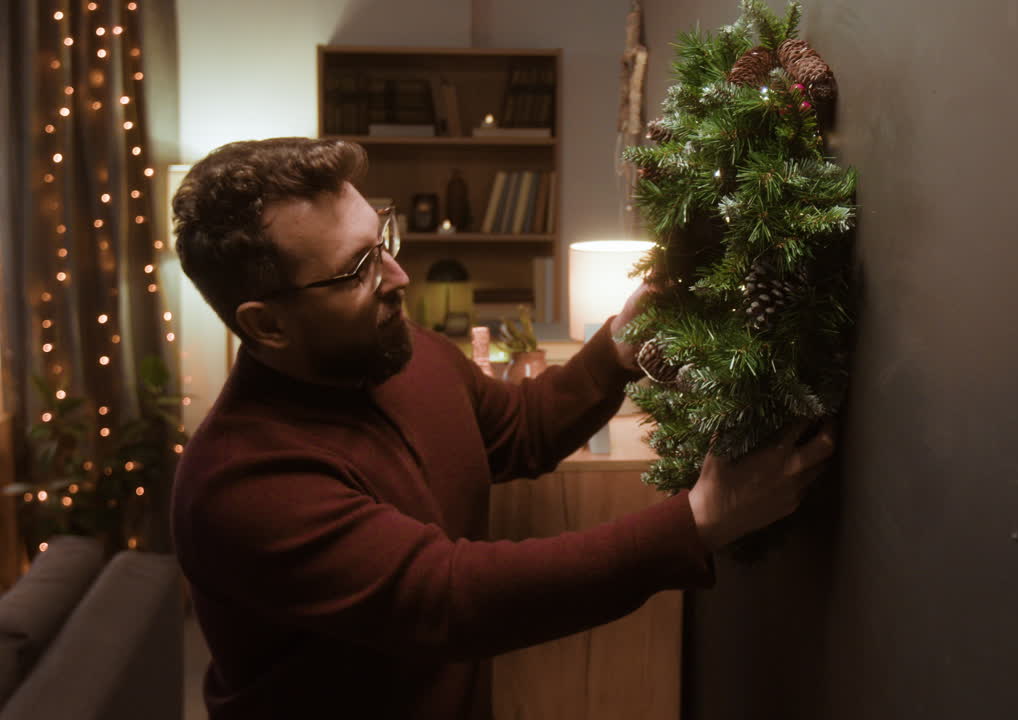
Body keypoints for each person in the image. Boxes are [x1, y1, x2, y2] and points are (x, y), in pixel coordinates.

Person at [169, 137, 834, 719]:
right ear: (267, 325)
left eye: (385, 240)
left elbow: (516, 429)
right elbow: (451, 598)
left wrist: (617, 348)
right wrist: (697, 522)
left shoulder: (397, 350)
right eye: (357, 270)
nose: (399, 276)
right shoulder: (241, 485)